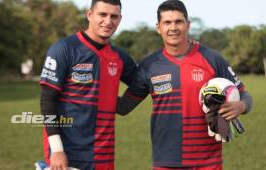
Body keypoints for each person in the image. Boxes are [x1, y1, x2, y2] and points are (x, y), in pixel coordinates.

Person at [117, 0, 253, 169]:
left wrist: (241, 106)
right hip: (166, 162)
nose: (173, 28)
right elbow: (123, 107)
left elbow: (245, 95)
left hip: (208, 162)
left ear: (188, 25)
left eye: (178, 21)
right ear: (158, 27)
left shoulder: (212, 59)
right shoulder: (149, 65)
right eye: (167, 22)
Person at [39, 0, 136, 169]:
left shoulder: (120, 58)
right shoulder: (64, 48)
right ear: (89, 14)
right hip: (67, 155)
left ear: (120, 19)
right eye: (102, 14)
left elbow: (145, 81)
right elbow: (47, 101)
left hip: (103, 157)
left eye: (114, 16)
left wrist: (124, 105)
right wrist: (57, 150)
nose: (108, 21)